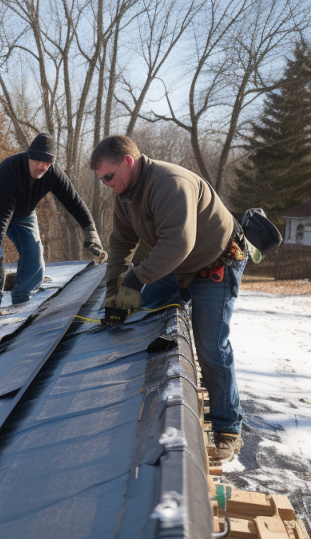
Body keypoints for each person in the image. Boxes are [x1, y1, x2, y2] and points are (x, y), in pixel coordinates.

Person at [90, 135, 247, 463]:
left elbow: (178, 243)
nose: (106, 185)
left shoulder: (168, 183)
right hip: (177, 268)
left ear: (128, 162)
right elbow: (121, 244)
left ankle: (227, 428)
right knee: (146, 313)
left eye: (108, 176)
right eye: (101, 180)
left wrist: (135, 279)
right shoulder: (126, 194)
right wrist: (114, 296)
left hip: (215, 264)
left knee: (211, 347)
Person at [0, 133, 107, 318]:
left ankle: (22, 299)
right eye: (38, 161)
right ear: (29, 156)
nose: (43, 167)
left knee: (34, 253)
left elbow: (74, 201)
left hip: (24, 214)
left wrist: (90, 230)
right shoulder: (10, 171)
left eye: (47, 163)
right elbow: (3, 214)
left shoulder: (52, 173)